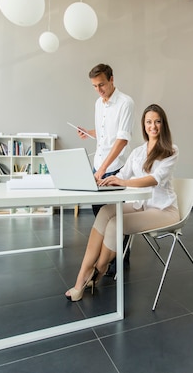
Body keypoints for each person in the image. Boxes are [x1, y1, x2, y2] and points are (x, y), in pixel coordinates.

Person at [65, 104, 180, 301]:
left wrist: (124, 182)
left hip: (164, 210)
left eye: (157, 121)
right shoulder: (138, 151)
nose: (153, 126)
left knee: (115, 224)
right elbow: (121, 175)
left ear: (164, 124)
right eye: (149, 122)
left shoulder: (170, 150)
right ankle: (84, 273)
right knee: (105, 212)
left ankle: (98, 270)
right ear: (144, 125)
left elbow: (154, 179)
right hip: (142, 206)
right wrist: (101, 180)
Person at [76, 63, 135, 273]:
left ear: (112, 79)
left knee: (117, 215)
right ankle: (109, 254)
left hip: (115, 167)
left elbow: (121, 139)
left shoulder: (125, 103)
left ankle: (121, 257)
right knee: (99, 212)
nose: (99, 89)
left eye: (101, 84)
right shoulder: (98, 103)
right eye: (94, 86)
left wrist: (103, 170)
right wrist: (89, 132)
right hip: (98, 165)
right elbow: (105, 135)